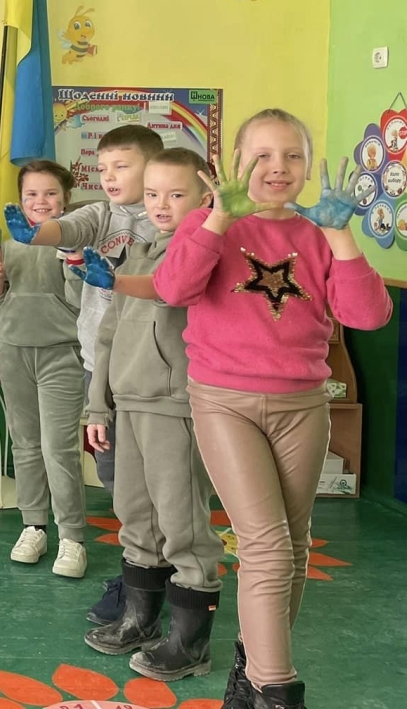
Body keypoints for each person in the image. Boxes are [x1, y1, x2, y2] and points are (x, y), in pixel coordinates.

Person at [154, 110, 392, 709]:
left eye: (292, 155)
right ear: (236, 162)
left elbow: (368, 316)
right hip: (224, 400)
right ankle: (278, 691)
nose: (278, 167)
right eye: (262, 155)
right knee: (265, 545)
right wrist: (218, 218)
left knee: (295, 543)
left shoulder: (319, 231)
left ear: (308, 166)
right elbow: (173, 289)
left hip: (303, 403)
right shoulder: (210, 222)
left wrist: (341, 235)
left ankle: (252, 668)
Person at [3, 123, 163, 622]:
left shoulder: (168, 218)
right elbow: (65, 229)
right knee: (116, 477)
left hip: (153, 368)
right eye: (103, 167)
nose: (109, 176)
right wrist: (37, 233)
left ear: (153, 169)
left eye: (122, 166)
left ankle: (165, 574)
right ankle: (139, 575)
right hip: (99, 364)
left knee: (160, 479)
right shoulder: (100, 214)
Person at [82, 148, 224, 682]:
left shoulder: (204, 254)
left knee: (181, 522)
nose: (161, 204)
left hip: (173, 405)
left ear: (206, 198)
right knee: (135, 515)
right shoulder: (137, 252)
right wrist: (98, 403)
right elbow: (108, 335)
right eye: (153, 194)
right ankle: (140, 621)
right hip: (128, 402)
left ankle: (190, 644)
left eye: (177, 194)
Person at [0, 159, 88, 579]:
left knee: (58, 448)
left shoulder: (76, 246)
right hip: (14, 352)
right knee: (25, 444)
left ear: (65, 200)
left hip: (62, 355)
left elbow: (81, 304)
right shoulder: (8, 247)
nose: (40, 201)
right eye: (31, 194)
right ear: (20, 200)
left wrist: (73, 261)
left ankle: (72, 537)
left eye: (49, 194)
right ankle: (34, 527)